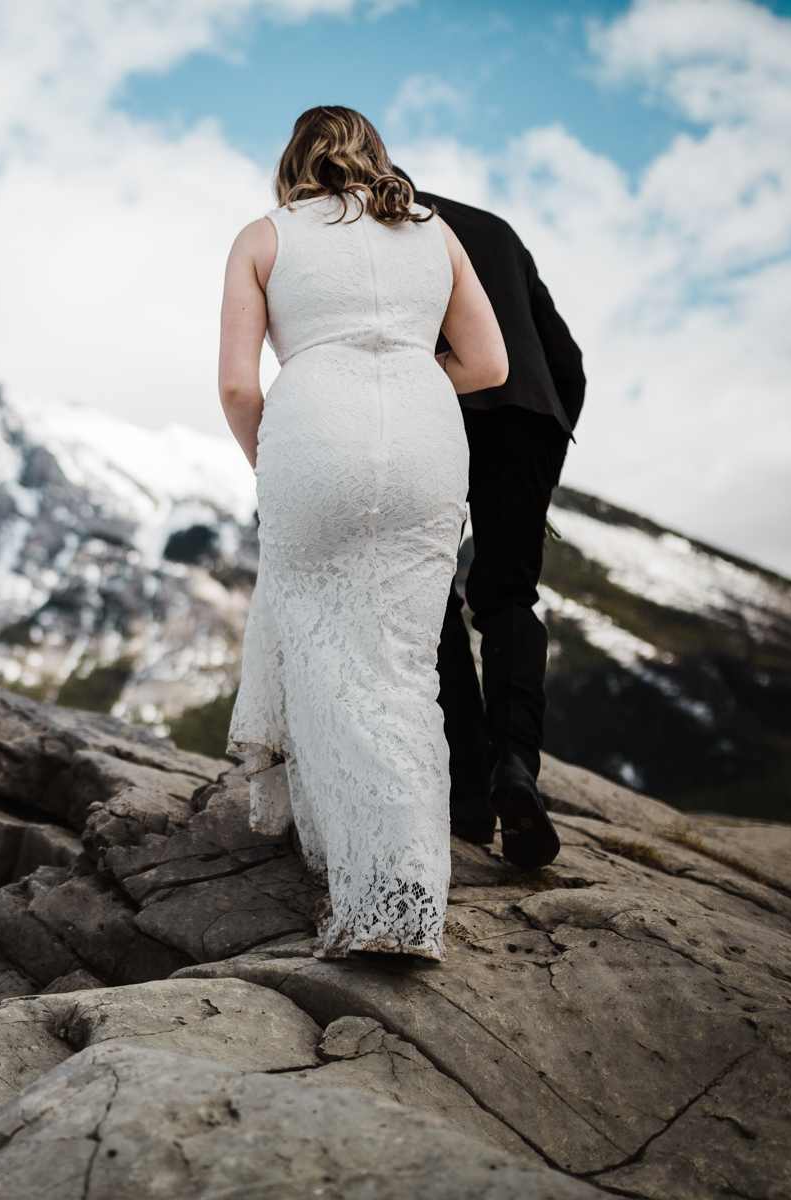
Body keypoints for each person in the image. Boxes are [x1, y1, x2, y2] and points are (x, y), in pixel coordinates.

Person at [218, 106, 507, 961]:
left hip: (313, 436)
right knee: (405, 670)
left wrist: (269, 456)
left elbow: (240, 386)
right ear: (375, 156)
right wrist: (405, 375)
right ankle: (406, 896)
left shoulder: (263, 237)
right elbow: (489, 365)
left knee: (321, 653)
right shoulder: (435, 235)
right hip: (424, 442)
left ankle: (362, 885)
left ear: (292, 160)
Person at [397, 167, 586, 871]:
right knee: (509, 596)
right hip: (534, 415)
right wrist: (546, 452)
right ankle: (516, 769)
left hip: (444, 412)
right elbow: (568, 361)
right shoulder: (498, 231)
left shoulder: (393, 230)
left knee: (429, 593)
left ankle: (468, 791)